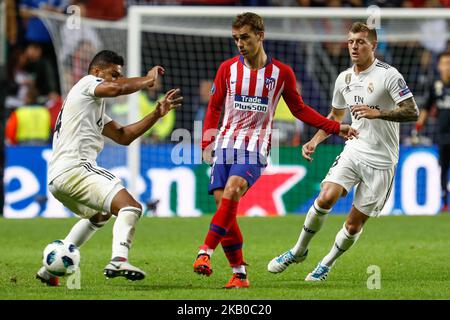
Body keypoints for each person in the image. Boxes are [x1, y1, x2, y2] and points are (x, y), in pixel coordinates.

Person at [194, 12, 357, 289]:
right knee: (226, 209)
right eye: (236, 39)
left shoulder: (281, 73)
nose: (240, 44)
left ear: (260, 35)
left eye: (244, 37)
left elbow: (300, 109)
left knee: (233, 190)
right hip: (224, 144)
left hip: (255, 148)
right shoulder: (227, 70)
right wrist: (206, 143)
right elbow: (214, 107)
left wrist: (333, 127)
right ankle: (240, 274)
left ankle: (204, 252)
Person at [268, 22, 419, 281]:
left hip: (382, 160)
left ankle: (327, 262)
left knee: (353, 224)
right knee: (326, 197)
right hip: (355, 149)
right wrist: (315, 140)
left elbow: (412, 111)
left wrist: (379, 113)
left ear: (373, 45)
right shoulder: (344, 79)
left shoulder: (389, 75)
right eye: (351, 41)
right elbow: (336, 116)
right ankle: (297, 250)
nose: (354, 46)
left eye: (360, 41)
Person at [36, 50, 182, 286]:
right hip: (76, 168)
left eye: (118, 75)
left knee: (100, 215)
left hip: (58, 178)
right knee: (131, 206)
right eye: (113, 74)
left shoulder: (90, 107)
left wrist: (155, 114)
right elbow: (116, 89)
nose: (116, 79)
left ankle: (50, 270)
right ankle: (119, 259)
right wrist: (147, 80)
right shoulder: (85, 84)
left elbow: (124, 136)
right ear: (96, 72)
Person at [415, 51, 450, 212]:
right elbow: (427, 107)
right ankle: (444, 202)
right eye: (444, 63)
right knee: (443, 168)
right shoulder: (435, 85)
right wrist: (419, 125)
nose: (447, 67)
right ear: (439, 66)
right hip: (442, 135)